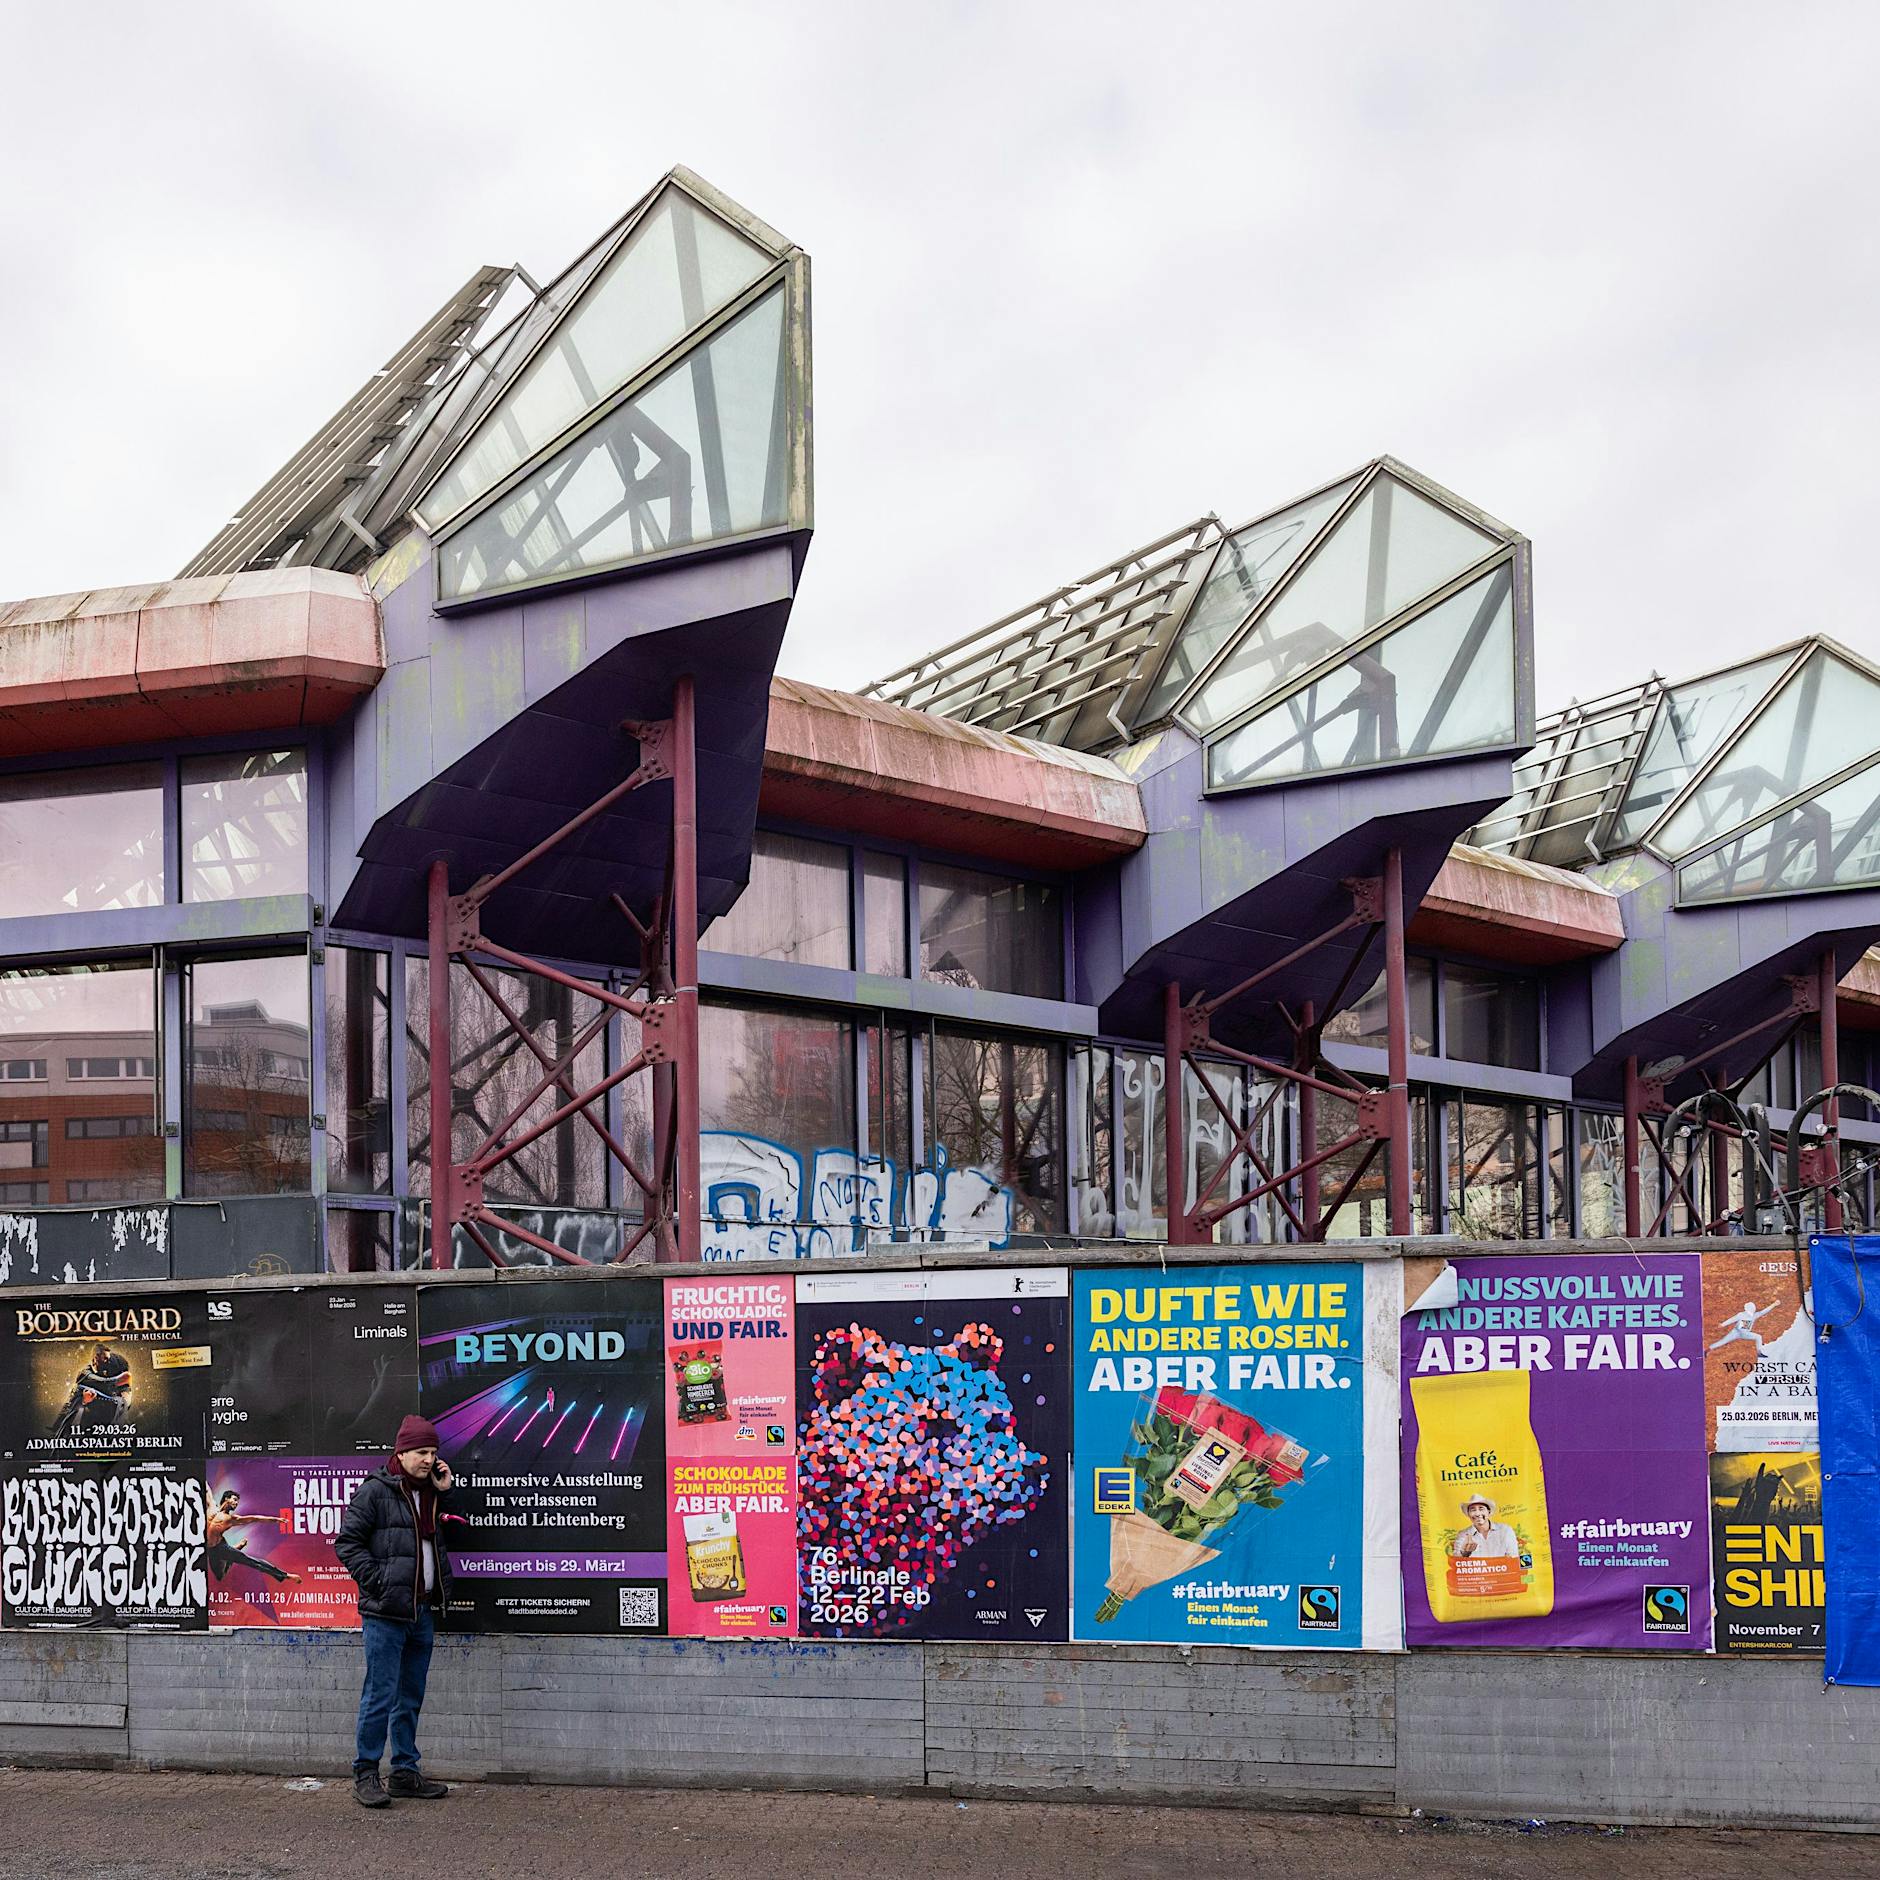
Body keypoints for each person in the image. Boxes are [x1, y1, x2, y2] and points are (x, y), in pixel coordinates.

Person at [335, 1414, 456, 1808]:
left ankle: (404, 1772)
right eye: (421, 1452)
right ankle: (365, 1773)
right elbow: (347, 1544)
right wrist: (380, 1582)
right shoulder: (376, 1491)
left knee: (410, 1696)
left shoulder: (430, 1492)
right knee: (380, 1694)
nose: (429, 1459)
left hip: (421, 1611)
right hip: (386, 1614)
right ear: (401, 1453)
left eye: (433, 1452)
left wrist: (444, 1492)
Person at [204, 1487, 302, 1588]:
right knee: (219, 1576)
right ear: (226, 1498)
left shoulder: (231, 1519)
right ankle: (235, 1550)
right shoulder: (211, 1506)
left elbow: (254, 1518)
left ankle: (286, 1575)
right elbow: (207, 1489)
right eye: (235, 1500)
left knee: (251, 1561)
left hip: (220, 1548)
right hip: (209, 1549)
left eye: (237, 1502)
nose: (236, 1503)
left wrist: (275, 1519)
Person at [1451, 1494, 1520, 1559]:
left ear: (1489, 1512)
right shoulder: (1463, 1535)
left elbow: (1514, 1556)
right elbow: (1456, 1561)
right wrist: (1465, 1553)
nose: (1477, 1514)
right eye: (1473, 1510)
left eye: (1481, 1509)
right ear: (1468, 1514)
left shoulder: (1505, 1530)